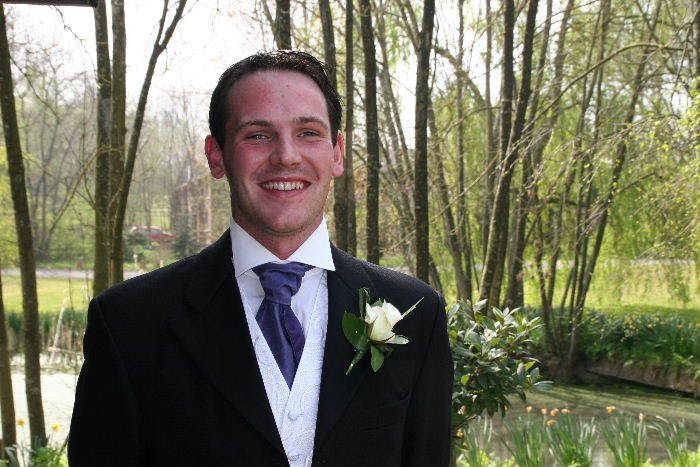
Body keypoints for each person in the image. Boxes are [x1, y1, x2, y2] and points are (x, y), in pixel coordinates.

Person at [68, 51, 452, 467]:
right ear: (217, 155)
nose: (286, 156)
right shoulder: (128, 323)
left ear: (337, 152)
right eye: (258, 135)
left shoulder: (416, 315)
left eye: (308, 132)